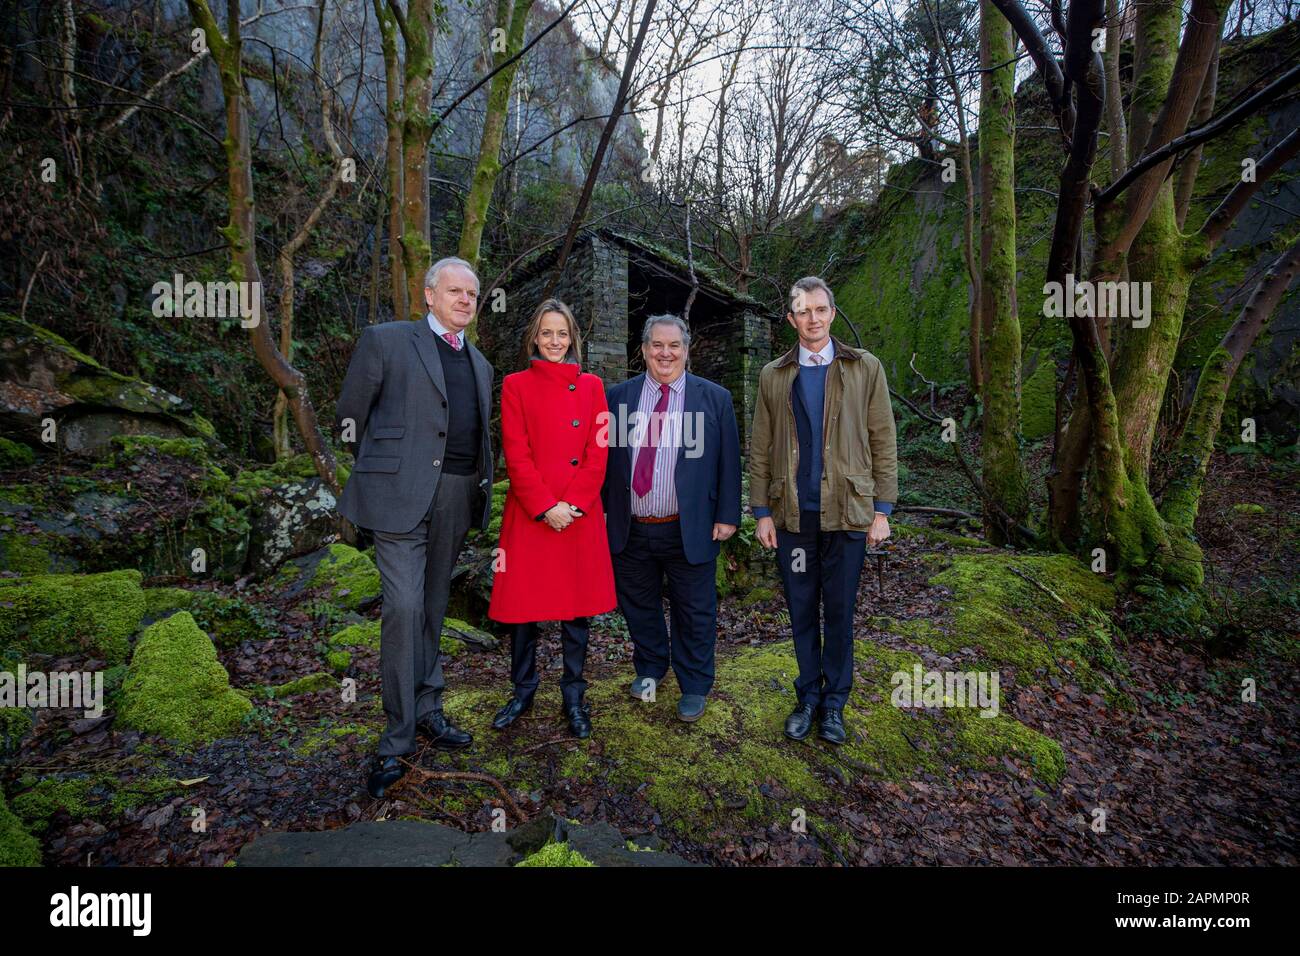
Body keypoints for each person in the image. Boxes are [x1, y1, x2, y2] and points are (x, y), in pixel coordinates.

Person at [335, 256, 494, 798]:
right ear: (429, 294)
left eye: (473, 294)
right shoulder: (386, 340)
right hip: (398, 500)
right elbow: (349, 418)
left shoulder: (481, 365)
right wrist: (383, 471)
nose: (465, 301)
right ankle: (396, 738)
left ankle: (430, 707)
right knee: (402, 609)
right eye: (455, 291)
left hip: (455, 497)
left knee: (432, 608)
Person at [749, 276, 898, 745]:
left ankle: (834, 704)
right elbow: (759, 448)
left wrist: (882, 509)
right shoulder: (774, 375)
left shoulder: (864, 367)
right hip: (794, 518)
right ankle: (807, 696)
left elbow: (883, 439)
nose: (812, 319)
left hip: (848, 515)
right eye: (802, 311)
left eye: (820, 309)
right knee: (800, 611)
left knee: (838, 611)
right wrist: (761, 512)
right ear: (791, 319)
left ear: (832, 313)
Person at [602, 314, 741, 722]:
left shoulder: (713, 398)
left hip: (690, 525)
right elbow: (603, 460)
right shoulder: (617, 398)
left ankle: (695, 684)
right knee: (638, 605)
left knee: (694, 609)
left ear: (686, 349)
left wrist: (727, 514)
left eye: (673, 346)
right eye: (657, 345)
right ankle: (650, 669)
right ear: (644, 350)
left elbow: (729, 461)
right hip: (632, 526)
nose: (665, 353)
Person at [487, 299, 616, 739]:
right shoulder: (515, 385)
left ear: (573, 337)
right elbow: (516, 452)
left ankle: (574, 696)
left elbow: (599, 452)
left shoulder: (595, 386)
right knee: (524, 610)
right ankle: (523, 691)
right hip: (532, 512)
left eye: (562, 334)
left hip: (578, 513)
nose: (555, 341)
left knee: (575, 610)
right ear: (534, 339)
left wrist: (573, 504)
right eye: (547, 333)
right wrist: (545, 506)